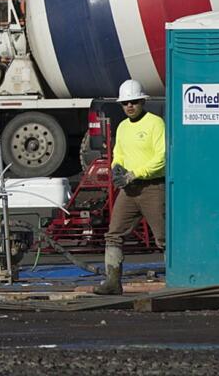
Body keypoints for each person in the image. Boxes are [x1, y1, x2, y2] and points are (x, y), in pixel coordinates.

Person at [94, 79, 166, 296]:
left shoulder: (155, 124)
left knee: (164, 238)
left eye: (134, 102)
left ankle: (176, 281)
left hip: (152, 187)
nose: (130, 106)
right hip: (129, 190)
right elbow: (120, 154)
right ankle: (113, 282)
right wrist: (117, 168)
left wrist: (136, 173)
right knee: (114, 234)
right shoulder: (123, 127)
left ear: (143, 101)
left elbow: (162, 157)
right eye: (125, 103)